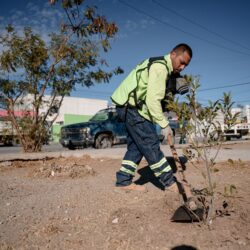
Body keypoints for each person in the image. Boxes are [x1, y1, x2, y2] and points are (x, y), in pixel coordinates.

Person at [111, 43, 192, 191]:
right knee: (150, 143)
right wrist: (164, 124)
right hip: (133, 108)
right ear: (173, 54)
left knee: (136, 147)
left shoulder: (161, 66)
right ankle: (170, 183)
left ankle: (123, 182)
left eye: (186, 65)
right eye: (182, 62)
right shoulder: (160, 68)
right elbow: (152, 100)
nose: (182, 67)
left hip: (128, 106)